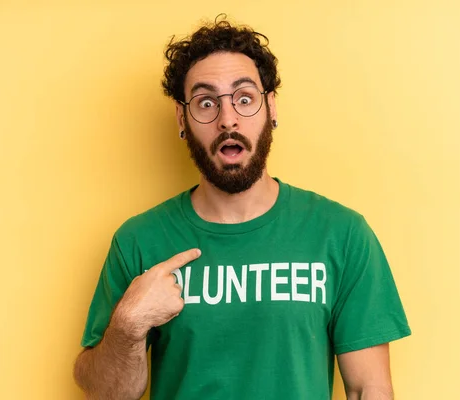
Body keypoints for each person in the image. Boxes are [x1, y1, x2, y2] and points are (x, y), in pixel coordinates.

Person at [73, 16, 411, 400]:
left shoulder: (342, 234)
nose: (228, 119)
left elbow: (369, 388)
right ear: (182, 119)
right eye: (205, 103)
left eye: (245, 99)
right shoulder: (139, 241)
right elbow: (104, 393)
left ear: (272, 108)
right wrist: (128, 326)